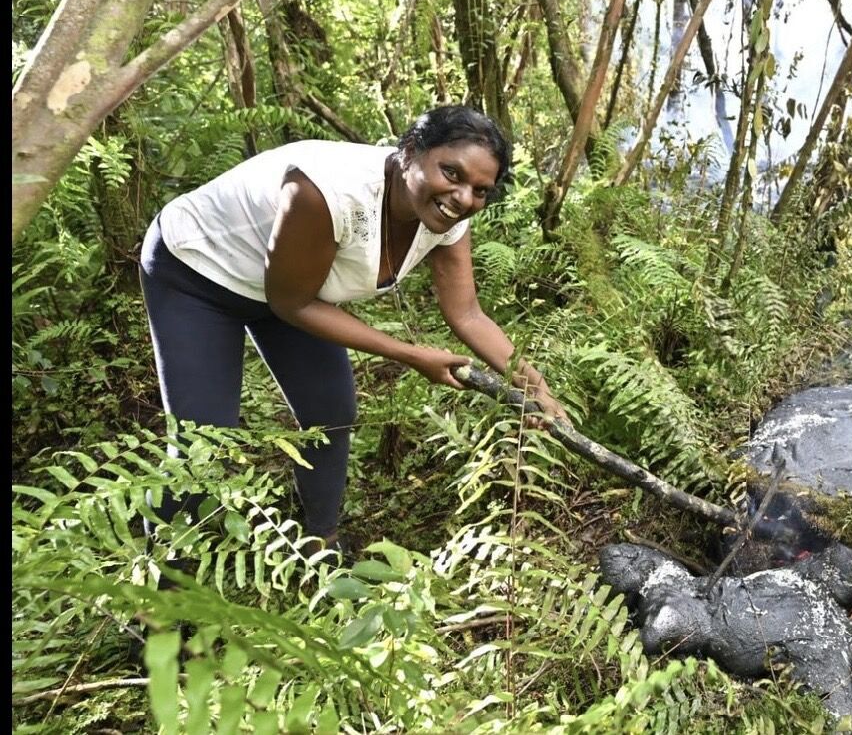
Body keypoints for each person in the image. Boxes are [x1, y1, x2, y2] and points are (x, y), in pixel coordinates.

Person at [139, 105, 568, 551]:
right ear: (409, 152)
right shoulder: (329, 189)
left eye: (480, 190)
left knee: (331, 413)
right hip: (197, 273)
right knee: (204, 441)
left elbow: (467, 314)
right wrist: (411, 354)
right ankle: (159, 596)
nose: (463, 198)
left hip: (294, 286)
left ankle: (320, 542)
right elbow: (291, 302)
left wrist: (536, 387)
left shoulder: (446, 218)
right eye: (451, 174)